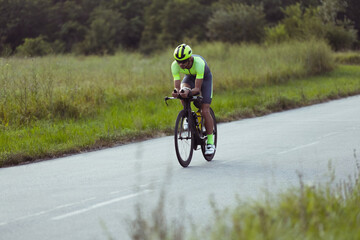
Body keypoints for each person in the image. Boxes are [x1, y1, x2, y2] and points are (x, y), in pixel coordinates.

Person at [170, 43, 215, 155]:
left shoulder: (199, 63)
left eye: (183, 61)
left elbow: (197, 89)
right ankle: (187, 115)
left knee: (204, 110)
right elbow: (177, 85)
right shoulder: (175, 65)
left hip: (204, 79)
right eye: (178, 61)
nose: (181, 64)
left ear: (190, 59)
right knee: (181, 92)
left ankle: (210, 143)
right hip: (190, 78)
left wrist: (189, 92)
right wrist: (177, 91)